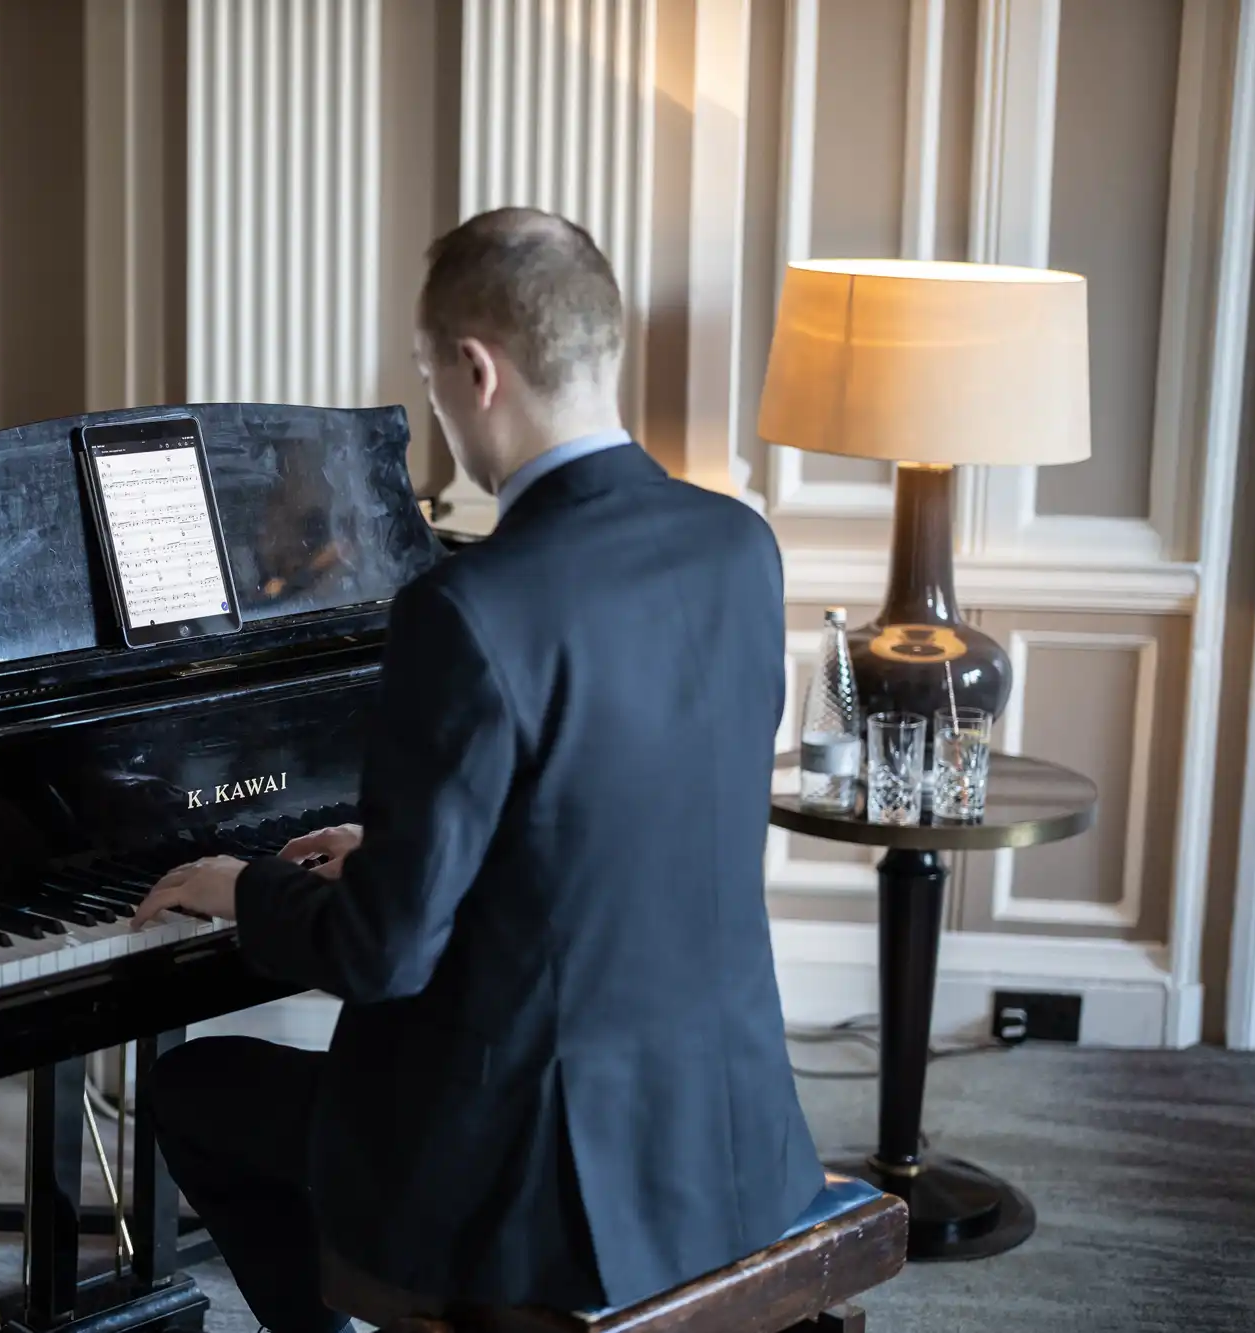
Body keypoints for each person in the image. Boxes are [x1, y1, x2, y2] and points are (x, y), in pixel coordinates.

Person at [129, 207, 821, 1333]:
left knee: (194, 1090)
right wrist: (417, 853)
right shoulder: (737, 545)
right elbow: (624, 817)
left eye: (429, 378)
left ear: (476, 369)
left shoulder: (467, 609)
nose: (439, 411)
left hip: (533, 1195)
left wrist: (245, 886)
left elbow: (383, 957)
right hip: (728, 1139)